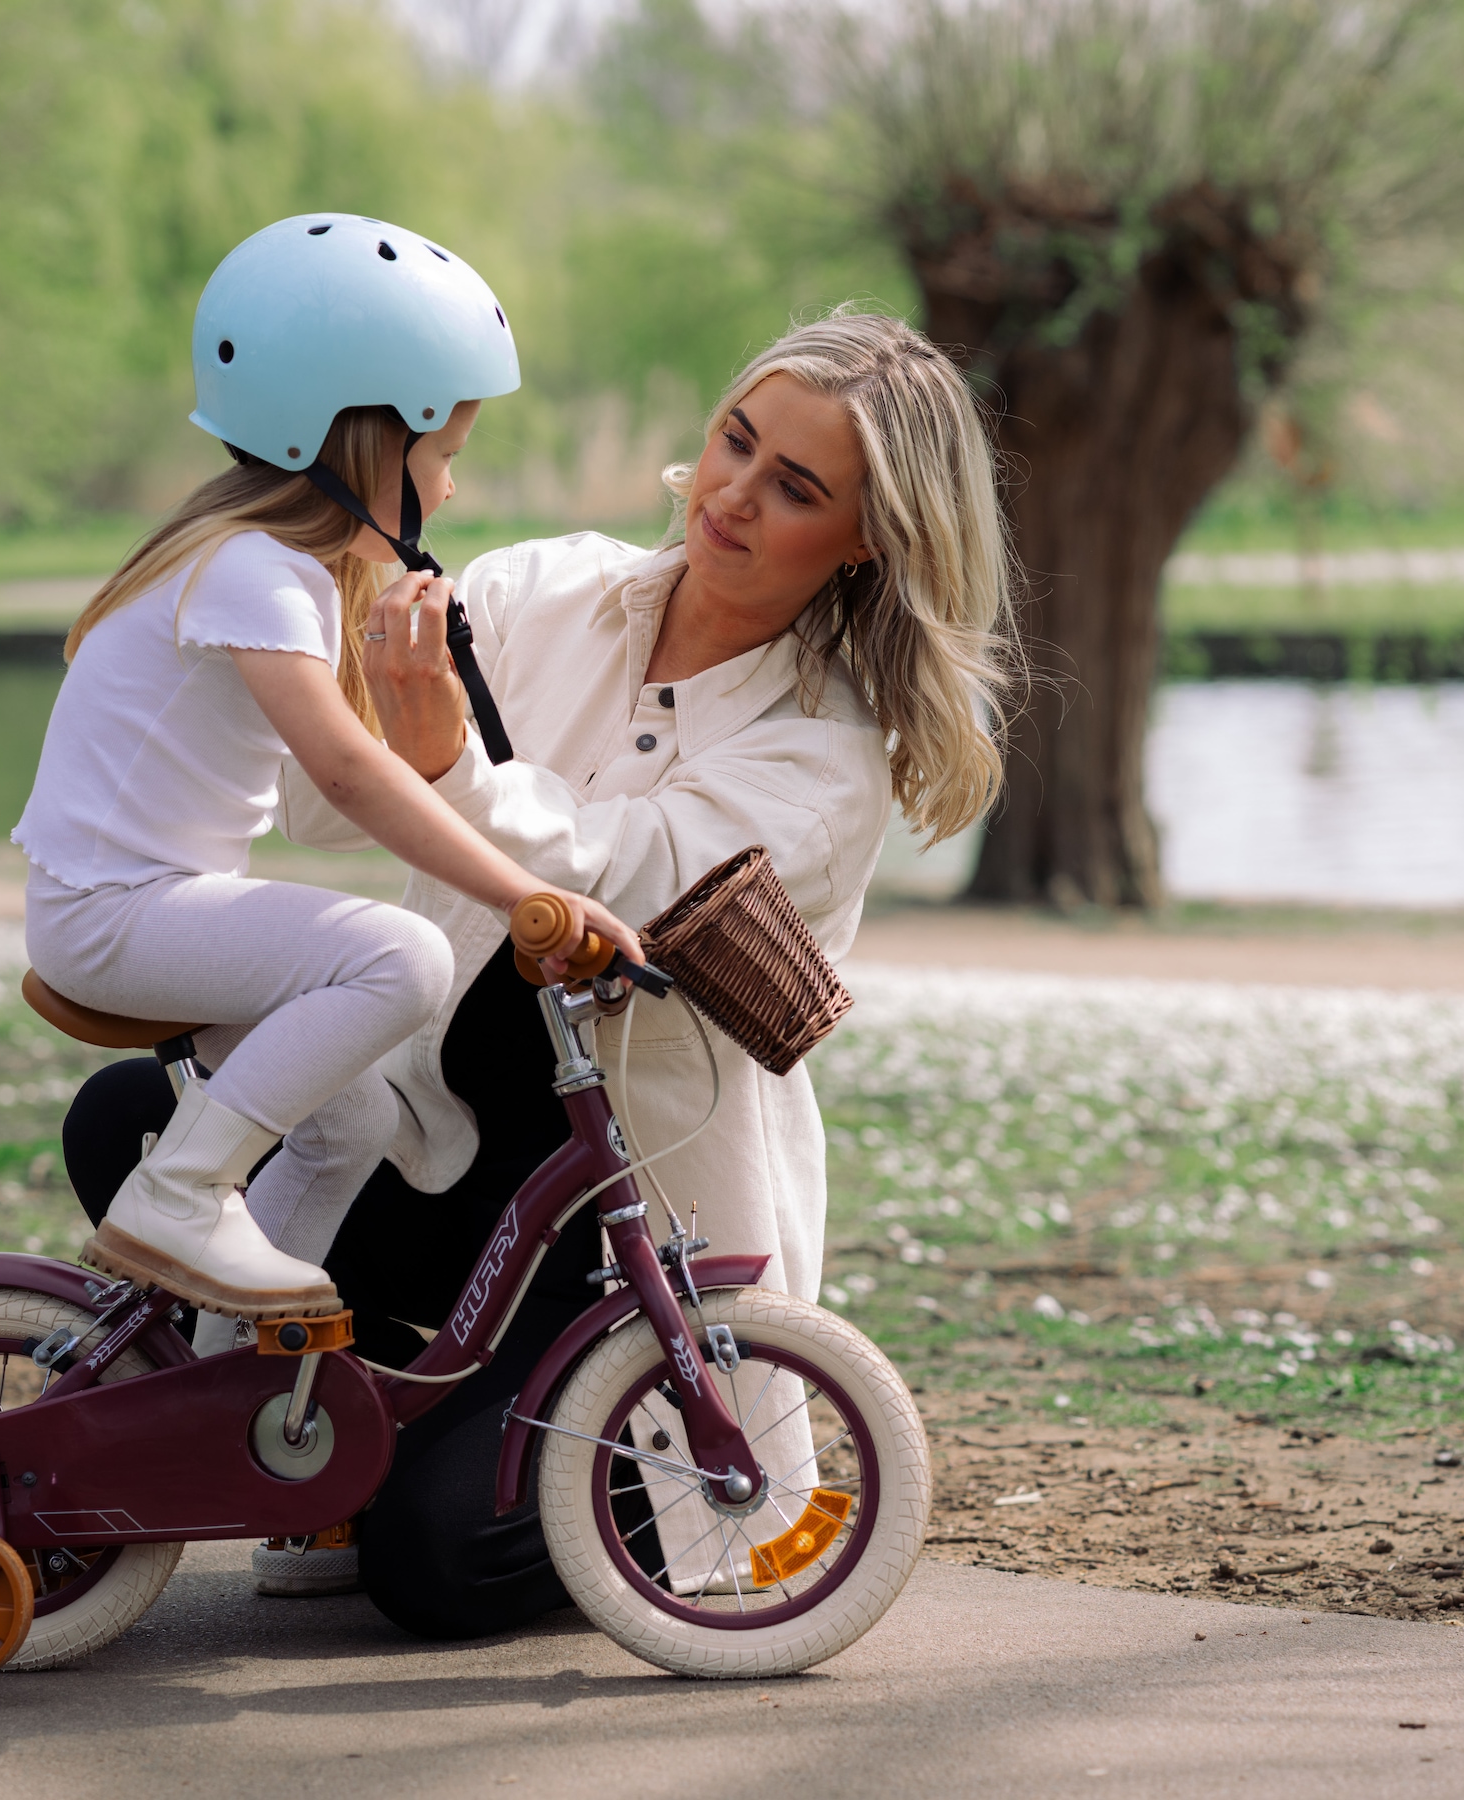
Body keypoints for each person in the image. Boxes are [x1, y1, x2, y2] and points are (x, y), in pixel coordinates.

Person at [65, 309, 1017, 1616]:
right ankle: (378, 1406)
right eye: (736, 442)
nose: (736, 495)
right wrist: (318, 673)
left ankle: (461, 1462)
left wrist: (447, 758)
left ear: (867, 539)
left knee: (434, 1564)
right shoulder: (540, 590)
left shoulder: (822, 755)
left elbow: (597, 886)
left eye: (795, 488)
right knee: (135, 1120)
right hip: (432, 1134)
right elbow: (325, 810)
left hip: (615, 1208)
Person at [16, 212, 640, 1325]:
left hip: (141, 908)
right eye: (443, 454)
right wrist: (527, 894)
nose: (450, 489)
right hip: (114, 918)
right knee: (402, 959)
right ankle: (180, 1193)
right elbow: (347, 779)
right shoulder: (252, 572)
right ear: (353, 442)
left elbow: (310, 806)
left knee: (348, 1125)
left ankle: (220, 1381)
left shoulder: (277, 575)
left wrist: (411, 695)